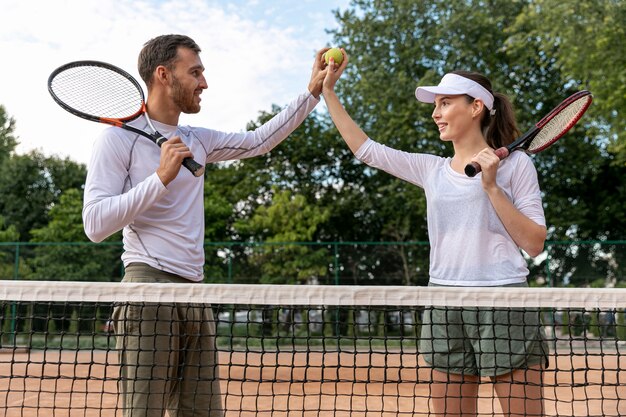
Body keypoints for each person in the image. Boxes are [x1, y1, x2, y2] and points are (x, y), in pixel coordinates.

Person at [82, 34, 329, 417]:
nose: (204, 83)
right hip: (149, 290)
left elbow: (259, 141)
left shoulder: (197, 139)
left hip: (196, 292)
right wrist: (159, 178)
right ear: (164, 75)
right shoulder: (116, 140)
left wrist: (311, 93)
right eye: (195, 72)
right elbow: (95, 225)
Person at [321, 50, 549, 417]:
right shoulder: (431, 169)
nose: (435, 113)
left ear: (476, 107)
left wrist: (492, 187)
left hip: (505, 301)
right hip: (444, 301)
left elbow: (535, 243)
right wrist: (328, 92)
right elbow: (366, 151)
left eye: (444, 103)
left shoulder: (517, 165)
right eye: (436, 104)